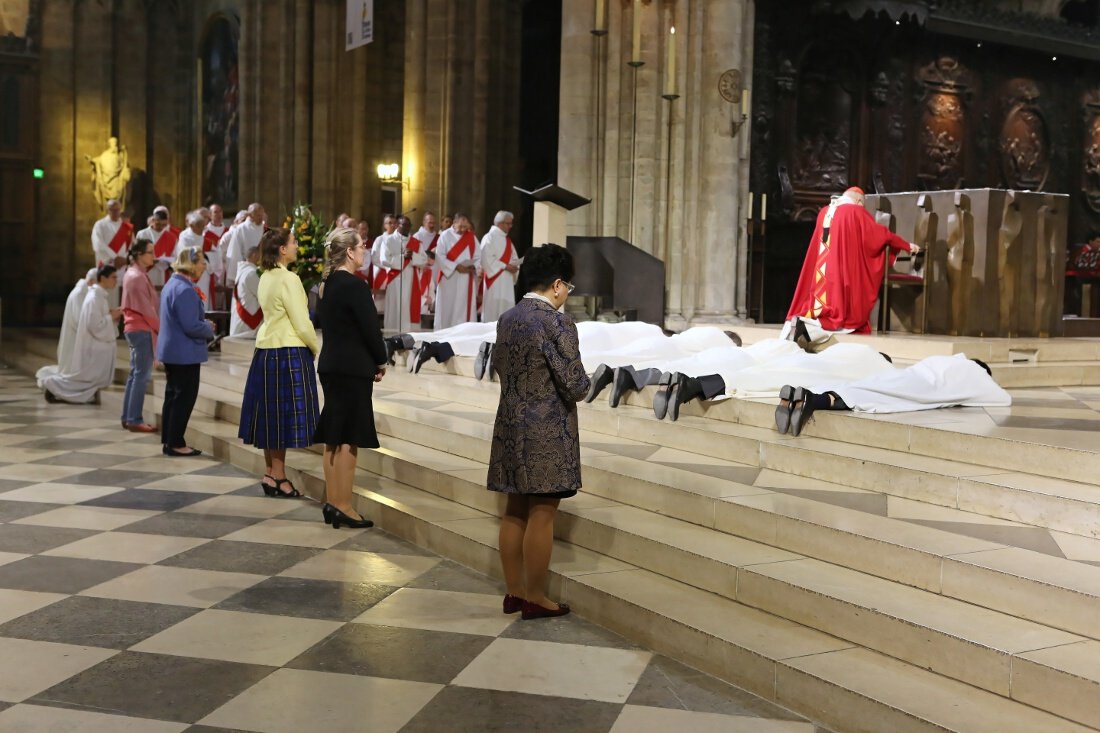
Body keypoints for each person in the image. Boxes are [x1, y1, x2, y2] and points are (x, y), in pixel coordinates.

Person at [488, 243, 589, 620]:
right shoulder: (556, 322)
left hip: (510, 423)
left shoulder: (508, 318)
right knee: (543, 512)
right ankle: (536, 596)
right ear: (558, 285)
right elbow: (576, 384)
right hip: (545, 430)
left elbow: (500, 366)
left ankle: (514, 592)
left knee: (515, 509)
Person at [313, 227, 388, 529]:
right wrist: (381, 360)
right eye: (362, 246)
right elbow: (371, 329)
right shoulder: (355, 286)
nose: (364, 250)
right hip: (352, 368)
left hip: (331, 364)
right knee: (348, 439)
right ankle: (344, 505)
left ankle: (333, 502)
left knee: (334, 436)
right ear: (349, 252)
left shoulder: (327, 284)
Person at [238, 228, 321, 497]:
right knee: (283, 419)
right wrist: (315, 346)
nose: (297, 246)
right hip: (288, 350)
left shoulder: (265, 277)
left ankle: (271, 474)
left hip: (265, 350)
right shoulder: (289, 279)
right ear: (282, 250)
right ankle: (280, 476)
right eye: (293, 243)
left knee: (269, 417)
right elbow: (301, 320)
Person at [785, 187, 919, 346]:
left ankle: (803, 325)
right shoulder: (855, 211)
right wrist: (905, 245)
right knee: (839, 315)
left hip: (821, 272)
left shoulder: (824, 211)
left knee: (821, 307)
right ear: (859, 201)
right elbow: (880, 234)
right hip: (839, 272)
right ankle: (808, 328)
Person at [776, 355, 1010, 436]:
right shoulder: (975, 371)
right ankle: (814, 400)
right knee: (878, 395)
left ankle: (804, 397)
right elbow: (1002, 397)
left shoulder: (947, 360)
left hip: (910, 374)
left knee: (872, 384)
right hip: (923, 385)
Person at [157, 248, 215, 456]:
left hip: (173, 351)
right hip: (184, 353)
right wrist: (208, 328)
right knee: (183, 398)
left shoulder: (172, 285)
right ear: (191, 264)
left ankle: (169, 439)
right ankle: (176, 443)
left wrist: (201, 322)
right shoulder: (185, 290)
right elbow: (191, 326)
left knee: (172, 396)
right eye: (201, 263)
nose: (204, 266)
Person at [39, 266, 121, 404]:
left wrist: (110, 316)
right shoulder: (94, 297)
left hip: (93, 342)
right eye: (113, 277)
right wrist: (110, 317)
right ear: (102, 278)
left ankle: (59, 387)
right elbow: (93, 325)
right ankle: (53, 384)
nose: (116, 281)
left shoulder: (98, 296)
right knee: (85, 378)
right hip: (92, 344)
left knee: (88, 379)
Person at [119, 238, 160, 432]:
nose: (154, 256)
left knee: (135, 374)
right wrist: (161, 329)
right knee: (141, 376)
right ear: (139, 255)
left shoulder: (136, 273)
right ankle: (134, 419)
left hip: (135, 328)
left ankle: (128, 416)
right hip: (140, 328)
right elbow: (147, 310)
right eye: (150, 252)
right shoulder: (136, 276)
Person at [38, 268, 98, 381]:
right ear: (91, 281)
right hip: (75, 337)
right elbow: (80, 319)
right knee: (71, 370)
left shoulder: (84, 291)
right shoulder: (80, 293)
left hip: (77, 336)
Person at [434, 213, 479, 329]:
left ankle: (463, 334)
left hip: (466, 278)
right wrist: (456, 266)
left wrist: (473, 266)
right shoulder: (445, 236)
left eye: (465, 227)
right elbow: (439, 256)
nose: (463, 229)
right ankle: (444, 333)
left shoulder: (471, 237)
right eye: (461, 226)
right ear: (454, 223)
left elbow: (479, 256)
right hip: (449, 278)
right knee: (447, 307)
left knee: (463, 308)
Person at [381, 215, 422, 332]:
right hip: (395, 280)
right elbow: (384, 259)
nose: (406, 227)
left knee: (408, 307)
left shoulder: (416, 243)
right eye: (404, 225)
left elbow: (424, 260)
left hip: (411, 279)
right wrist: (402, 257)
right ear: (397, 225)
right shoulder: (389, 240)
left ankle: (410, 336)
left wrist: (413, 256)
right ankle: (391, 335)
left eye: (409, 225)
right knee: (395, 308)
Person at [91, 199, 132, 309]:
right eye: (112, 210)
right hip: (106, 266)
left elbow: (132, 246)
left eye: (117, 210)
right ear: (107, 210)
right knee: (107, 300)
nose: (115, 213)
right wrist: (115, 258)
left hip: (122, 268)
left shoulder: (127, 227)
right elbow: (98, 244)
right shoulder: (100, 225)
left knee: (120, 299)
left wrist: (125, 259)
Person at [480, 210, 520, 323]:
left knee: (506, 311)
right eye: (508, 223)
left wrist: (515, 266)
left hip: (507, 282)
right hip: (494, 281)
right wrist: (505, 266)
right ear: (500, 223)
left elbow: (514, 258)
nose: (510, 226)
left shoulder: (508, 241)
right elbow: (486, 258)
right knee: (492, 312)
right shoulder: (489, 237)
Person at [225, 202, 266, 290]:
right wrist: (235, 275)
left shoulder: (265, 229)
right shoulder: (241, 229)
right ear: (250, 215)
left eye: (262, 215)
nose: (261, 217)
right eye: (258, 215)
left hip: (263, 269)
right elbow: (235, 252)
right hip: (246, 270)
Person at [137, 206, 178, 288]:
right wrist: (150, 260)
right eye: (158, 224)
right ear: (153, 220)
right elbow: (138, 253)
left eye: (164, 225)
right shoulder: (142, 234)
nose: (161, 227)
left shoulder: (172, 237)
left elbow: (175, 256)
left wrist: (168, 261)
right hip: (147, 271)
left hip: (164, 273)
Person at [229, 244, 263, 337]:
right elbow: (265, 295)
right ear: (254, 256)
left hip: (243, 323)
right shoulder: (251, 273)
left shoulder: (243, 271)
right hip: (248, 325)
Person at [410, 212, 438, 322]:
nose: (431, 225)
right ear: (423, 222)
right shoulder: (417, 237)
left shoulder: (439, 238)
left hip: (432, 272)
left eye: (433, 223)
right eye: (429, 222)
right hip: (419, 271)